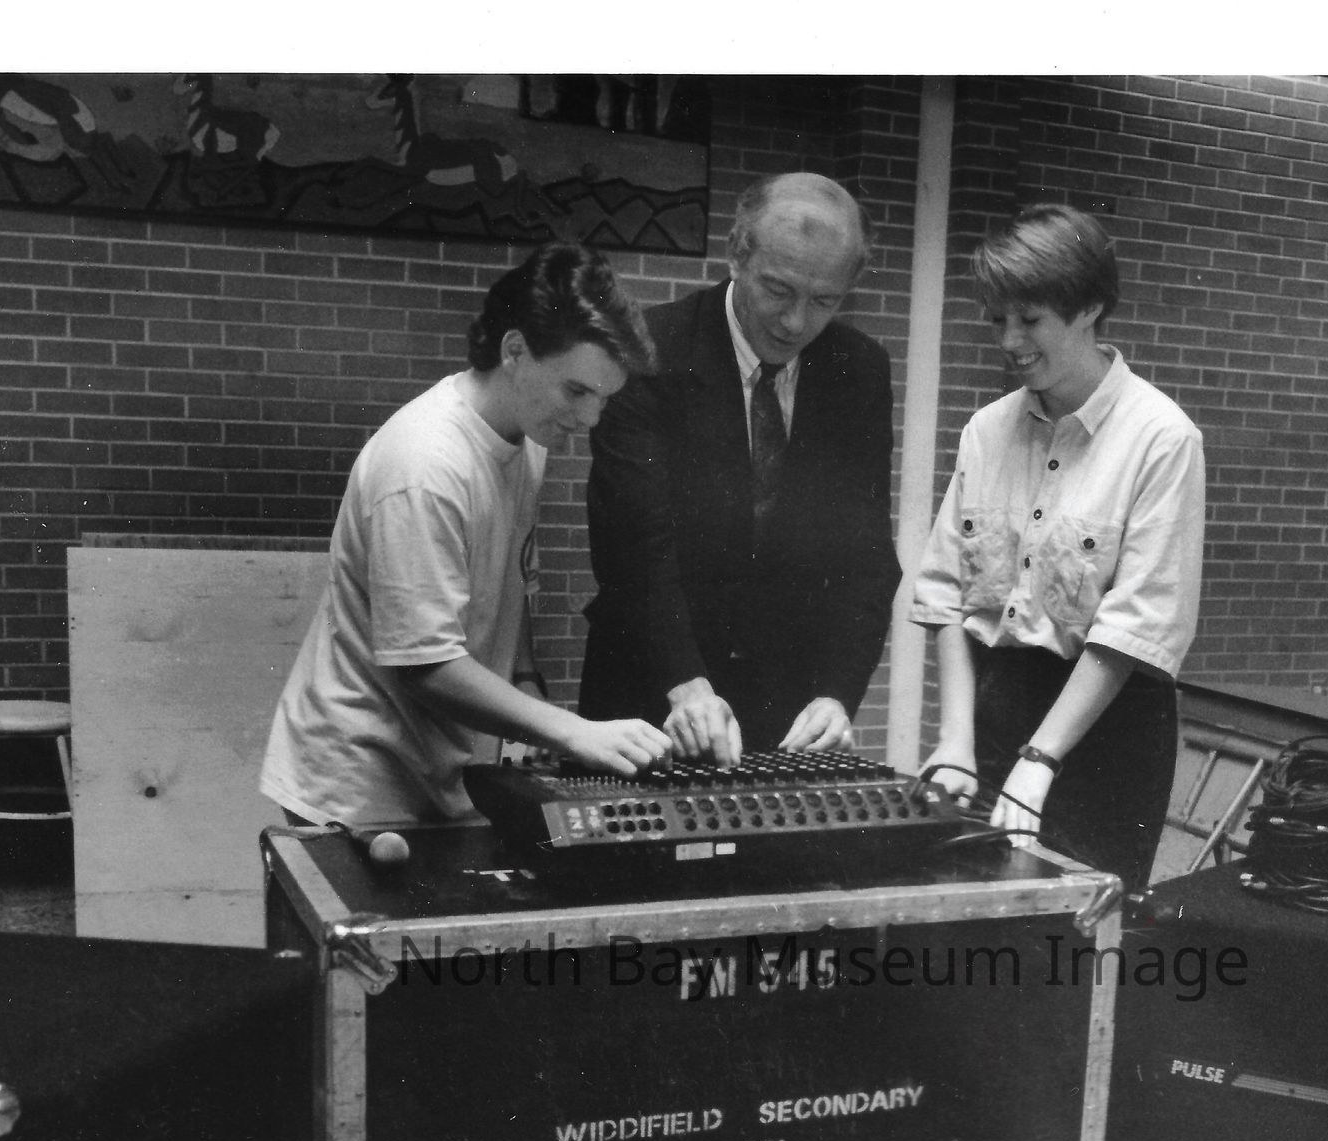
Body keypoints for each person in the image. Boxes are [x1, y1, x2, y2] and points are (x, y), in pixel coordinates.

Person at [261, 243, 671, 835]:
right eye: (577, 391)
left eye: (604, 399)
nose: (591, 420)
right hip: (355, 782)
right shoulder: (425, 465)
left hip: (440, 768)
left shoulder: (526, 437)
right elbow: (426, 664)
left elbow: (510, 582)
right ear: (515, 351)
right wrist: (572, 730)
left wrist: (526, 680)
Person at [911, 204, 1206, 888]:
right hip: (993, 710)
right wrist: (955, 739)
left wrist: (1041, 760)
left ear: (1089, 308)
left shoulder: (1162, 440)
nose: (1010, 341)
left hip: (1105, 731)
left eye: (1030, 319)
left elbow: (1136, 626)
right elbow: (948, 593)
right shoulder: (985, 432)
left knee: (1076, 932)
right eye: (998, 321)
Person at [579, 172, 900, 766]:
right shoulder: (650, 350)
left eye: (823, 301)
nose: (795, 322)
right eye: (778, 289)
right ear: (736, 255)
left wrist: (836, 693)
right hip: (650, 691)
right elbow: (634, 544)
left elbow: (867, 555)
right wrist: (686, 684)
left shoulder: (860, 369)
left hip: (786, 709)